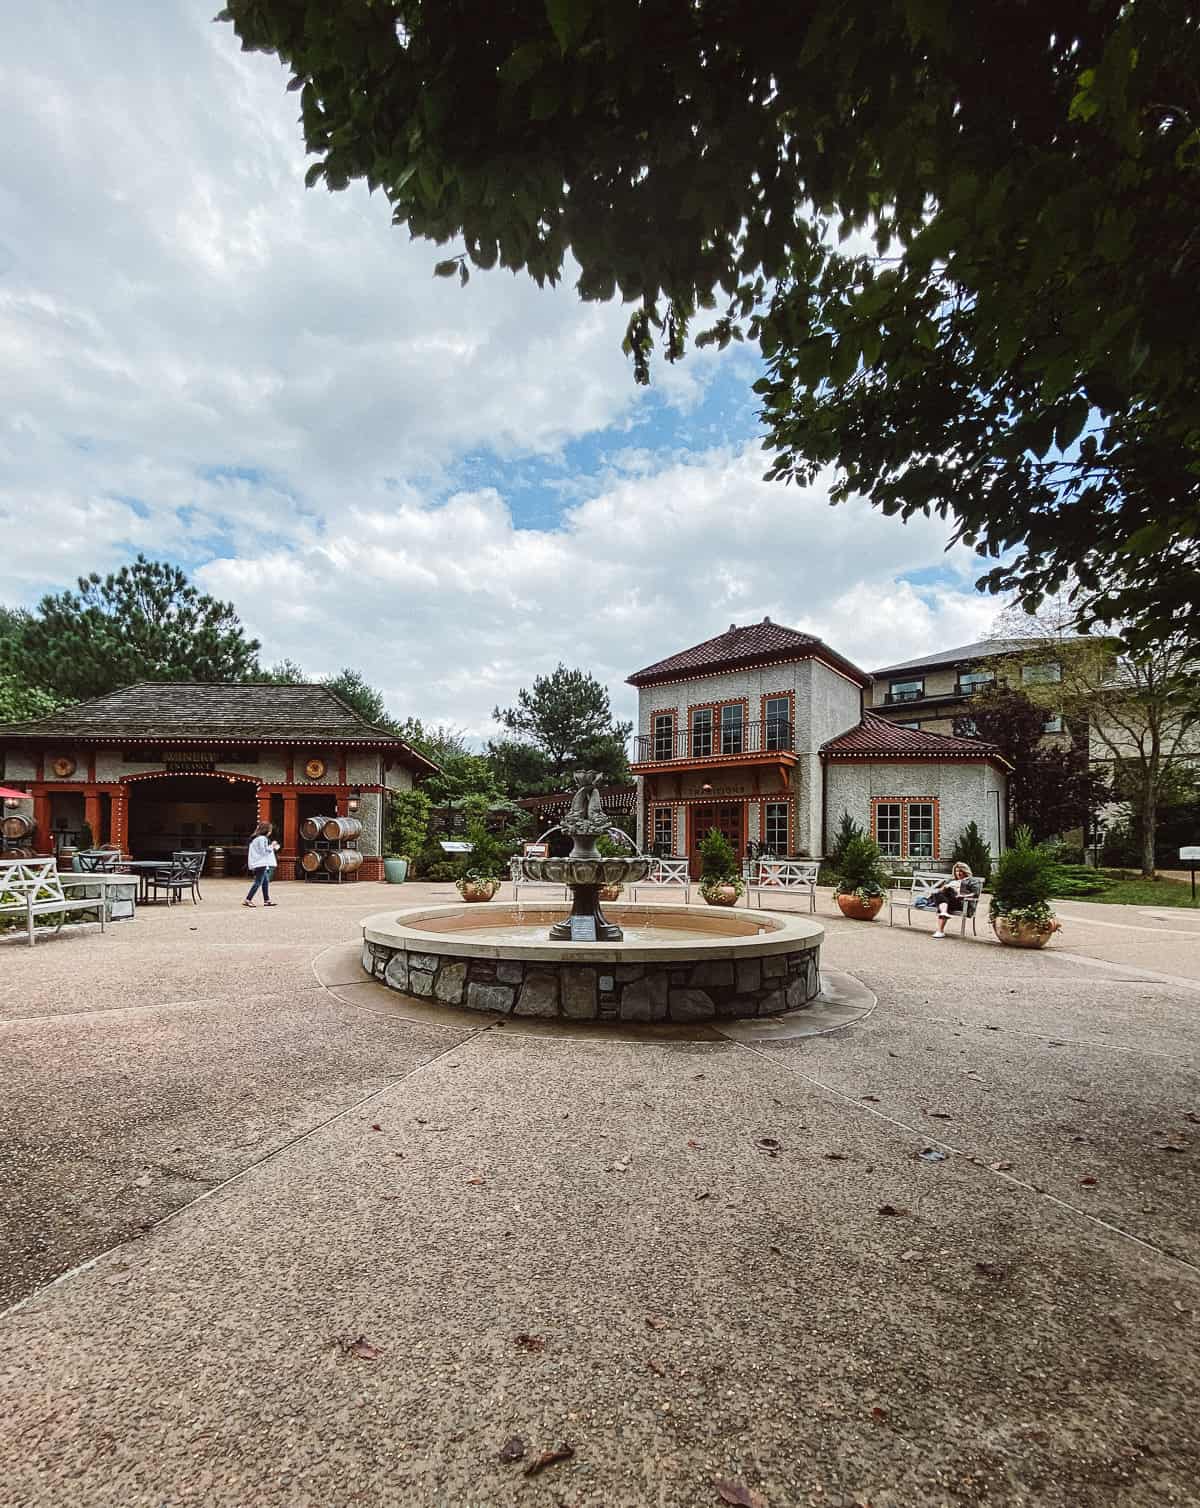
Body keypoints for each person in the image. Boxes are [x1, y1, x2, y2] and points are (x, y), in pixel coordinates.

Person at [932, 861, 972, 938]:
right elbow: (940, 892)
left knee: (947, 892)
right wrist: (944, 888)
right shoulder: (951, 881)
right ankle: (941, 926)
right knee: (939, 894)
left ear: (965, 871)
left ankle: (940, 930)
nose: (959, 873)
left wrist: (959, 893)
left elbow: (974, 894)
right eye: (957, 871)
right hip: (947, 901)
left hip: (959, 902)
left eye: (961, 871)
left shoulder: (971, 881)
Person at [244, 821, 279, 908]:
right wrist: (273, 846)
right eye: (270, 830)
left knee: (265, 881)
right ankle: (248, 899)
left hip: (259, 862)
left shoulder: (255, 838)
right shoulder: (262, 839)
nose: (270, 832)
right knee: (258, 882)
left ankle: (266, 900)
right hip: (261, 863)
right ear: (267, 830)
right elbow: (264, 851)